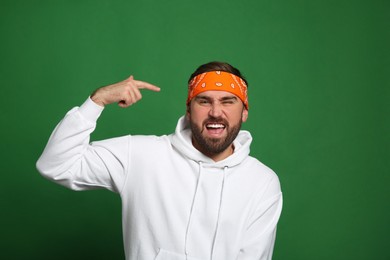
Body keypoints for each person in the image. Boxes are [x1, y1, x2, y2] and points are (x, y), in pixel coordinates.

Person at [36, 61, 283, 260]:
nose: (216, 112)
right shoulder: (142, 155)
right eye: (204, 101)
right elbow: (57, 164)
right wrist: (97, 101)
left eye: (228, 101)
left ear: (245, 111)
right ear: (189, 110)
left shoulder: (262, 182)